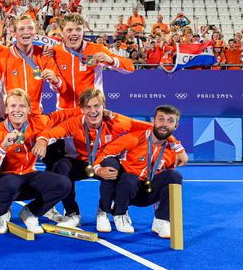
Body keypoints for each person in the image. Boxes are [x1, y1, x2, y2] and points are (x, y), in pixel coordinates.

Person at [34, 88, 186, 230]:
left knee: (111, 165)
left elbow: (153, 128)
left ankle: (103, 211)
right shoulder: (75, 123)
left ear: (103, 107)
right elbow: (50, 133)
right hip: (81, 162)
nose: (93, 111)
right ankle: (72, 213)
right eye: (88, 107)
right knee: (61, 166)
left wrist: (177, 146)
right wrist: (41, 141)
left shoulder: (116, 121)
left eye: (96, 106)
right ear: (81, 110)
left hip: (104, 159)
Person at [0, 88, 79, 234]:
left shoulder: (38, 122)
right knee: (11, 182)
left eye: (22, 106)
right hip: (4, 183)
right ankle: (0, 214)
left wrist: (86, 110)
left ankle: (31, 213)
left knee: (64, 184)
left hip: (28, 176)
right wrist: (3, 146)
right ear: (6, 109)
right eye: (13, 106)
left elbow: (63, 115)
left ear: (29, 109)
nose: (17, 110)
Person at [93, 105, 184, 237]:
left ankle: (161, 221)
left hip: (147, 192)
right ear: (153, 121)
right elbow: (104, 152)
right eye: (161, 119)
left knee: (174, 176)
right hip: (124, 189)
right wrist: (97, 168)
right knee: (129, 177)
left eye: (170, 121)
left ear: (176, 126)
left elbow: (166, 187)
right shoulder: (134, 138)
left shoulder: (172, 151)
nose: (164, 124)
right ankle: (119, 214)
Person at [0, 14, 63, 117]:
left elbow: (59, 87)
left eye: (30, 28)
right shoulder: (3, 57)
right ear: (14, 33)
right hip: (12, 117)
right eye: (21, 29)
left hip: (35, 116)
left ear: (35, 32)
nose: (26, 32)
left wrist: (55, 80)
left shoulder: (43, 55)